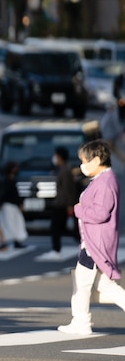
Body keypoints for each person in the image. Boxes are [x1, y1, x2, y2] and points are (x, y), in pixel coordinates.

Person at [57, 140, 125, 335]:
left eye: (84, 161)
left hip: (95, 243)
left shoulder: (105, 182)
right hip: (96, 240)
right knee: (105, 285)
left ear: (96, 160)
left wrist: (79, 209)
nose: (82, 165)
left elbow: (100, 213)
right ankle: (80, 320)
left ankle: (81, 321)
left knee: (82, 281)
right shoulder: (105, 179)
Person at [38, 146, 78, 261]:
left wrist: (69, 205)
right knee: (63, 228)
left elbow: (68, 189)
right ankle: (57, 249)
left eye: (56, 156)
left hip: (62, 204)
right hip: (62, 203)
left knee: (56, 228)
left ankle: (56, 250)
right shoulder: (64, 169)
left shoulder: (65, 171)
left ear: (59, 157)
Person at [0, 161, 28, 251]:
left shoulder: (11, 180)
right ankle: (6, 241)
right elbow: (6, 194)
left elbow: (15, 194)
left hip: (12, 206)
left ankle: (16, 240)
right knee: (9, 224)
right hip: (8, 206)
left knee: (15, 223)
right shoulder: (7, 181)